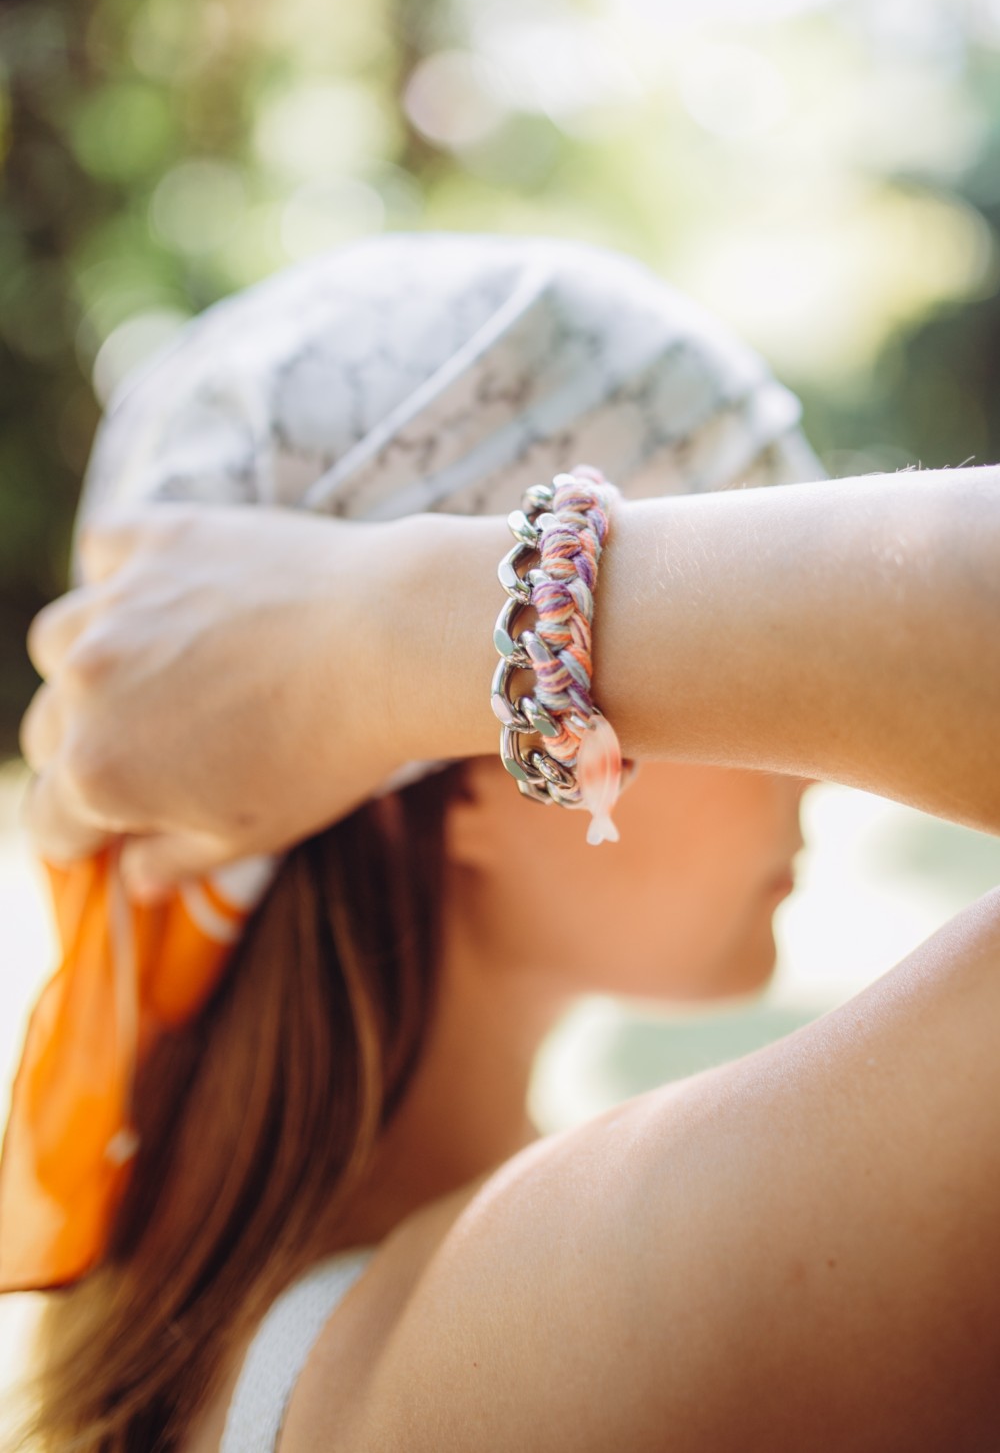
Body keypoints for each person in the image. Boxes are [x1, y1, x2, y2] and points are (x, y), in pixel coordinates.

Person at [7, 234, 999, 1452]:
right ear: (466, 775)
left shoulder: (371, 1331)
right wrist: (381, 637)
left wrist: (381, 635)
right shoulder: (502, 1339)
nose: (816, 760)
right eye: (702, 676)